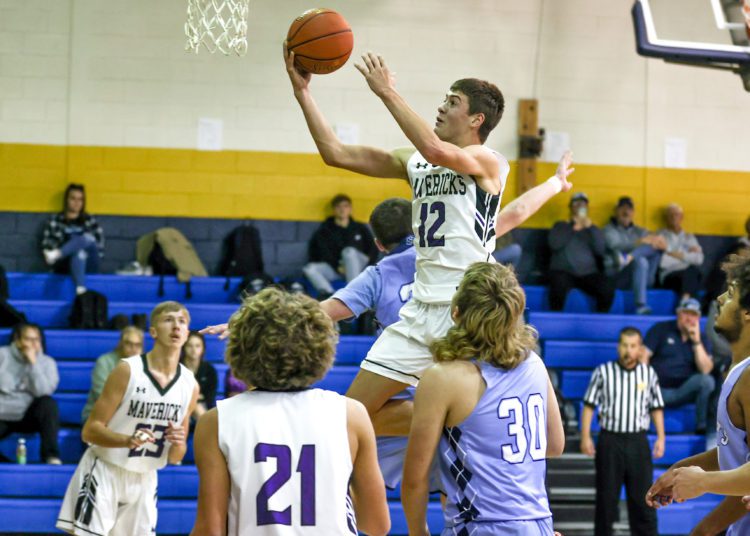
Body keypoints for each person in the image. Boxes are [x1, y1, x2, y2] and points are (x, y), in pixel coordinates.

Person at [284, 43, 575, 436]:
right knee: (350, 415)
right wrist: (303, 93)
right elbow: (335, 153)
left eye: (451, 101)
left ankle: (462, 418)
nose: (441, 107)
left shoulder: (489, 161)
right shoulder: (415, 161)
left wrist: (386, 91)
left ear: (476, 119)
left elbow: (436, 150)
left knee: (532, 429)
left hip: (469, 312)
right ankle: (454, 417)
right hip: (420, 310)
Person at [190, 288, 390, 536]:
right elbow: (376, 525)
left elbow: (210, 530)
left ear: (241, 349)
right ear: (320, 347)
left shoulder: (217, 420)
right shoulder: (351, 413)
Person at [401, 261, 565, 535]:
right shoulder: (534, 363)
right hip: (539, 523)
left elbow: (415, 481)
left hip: (481, 526)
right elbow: (555, 445)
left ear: (456, 313)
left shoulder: (444, 378)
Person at [56, 301, 198, 536]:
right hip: (105, 468)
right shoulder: (128, 370)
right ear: (153, 331)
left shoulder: (190, 385)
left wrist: (180, 442)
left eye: (182, 321)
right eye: (168, 320)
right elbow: (90, 431)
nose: (176, 326)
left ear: (186, 333)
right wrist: (126, 440)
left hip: (145, 477)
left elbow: (175, 457)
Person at [647, 250, 750, 535]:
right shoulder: (739, 370)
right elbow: (737, 455)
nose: (719, 300)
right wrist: (682, 468)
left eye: (729, 294)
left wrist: (703, 482)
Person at [581, 327, 665, 536]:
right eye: (625, 345)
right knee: (606, 501)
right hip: (610, 440)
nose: (628, 351)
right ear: (618, 347)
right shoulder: (603, 372)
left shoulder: (648, 373)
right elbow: (589, 405)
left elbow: (656, 407)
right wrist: (585, 436)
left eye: (633, 346)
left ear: (640, 348)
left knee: (643, 500)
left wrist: (661, 437)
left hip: (638, 441)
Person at [644, 297, 715, 435]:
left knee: (707, 381)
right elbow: (643, 357)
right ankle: (642, 426)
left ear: (699, 318)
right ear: (678, 313)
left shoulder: (702, 338)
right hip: (657, 390)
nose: (689, 318)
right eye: (686, 313)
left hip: (684, 391)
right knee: (639, 378)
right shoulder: (660, 329)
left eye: (693, 315)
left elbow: (706, 370)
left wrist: (696, 342)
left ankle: (701, 426)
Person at [0, 322, 61, 464]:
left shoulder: (47, 362)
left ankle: (51, 456)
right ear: (18, 340)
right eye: (28, 339)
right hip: (2, 413)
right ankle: (6, 463)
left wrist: (33, 364)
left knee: (48, 404)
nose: (32, 344)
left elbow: (43, 391)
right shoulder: (2, 355)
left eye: (36, 340)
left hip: (28, 414)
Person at [548, 192, 615, 313]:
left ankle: (600, 321)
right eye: (576, 203)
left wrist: (591, 228)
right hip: (564, 272)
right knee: (558, 285)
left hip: (587, 274)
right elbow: (554, 244)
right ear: (570, 207)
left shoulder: (592, 229)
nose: (580, 206)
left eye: (583, 204)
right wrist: (573, 227)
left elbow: (600, 250)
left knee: (607, 286)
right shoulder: (560, 225)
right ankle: (556, 319)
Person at [302, 193, 379, 298]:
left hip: (358, 266)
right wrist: (337, 267)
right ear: (333, 209)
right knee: (309, 268)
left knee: (348, 252)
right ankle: (330, 296)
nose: (342, 210)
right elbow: (323, 253)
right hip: (336, 267)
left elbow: (373, 249)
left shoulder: (359, 228)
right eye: (339, 206)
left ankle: (352, 294)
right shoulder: (325, 230)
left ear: (350, 209)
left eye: (345, 206)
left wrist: (367, 269)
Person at [603, 196, 666, 315]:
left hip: (643, 278)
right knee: (641, 261)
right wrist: (640, 241)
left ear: (633, 212)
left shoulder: (640, 231)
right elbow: (615, 245)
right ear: (616, 210)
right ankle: (640, 305)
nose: (626, 212)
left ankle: (628, 258)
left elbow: (660, 244)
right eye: (622, 208)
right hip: (617, 275)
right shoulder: (608, 229)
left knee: (653, 248)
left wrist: (658, 241)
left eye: (629, 209)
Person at [41, 183, 104, 295]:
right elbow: (47, 246)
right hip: (64, 264)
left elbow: (99, 248)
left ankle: (58, 253)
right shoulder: (55, 221)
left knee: (87, 239)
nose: (76, 203)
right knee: (78, 253)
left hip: (89, 264)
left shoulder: (90, 221)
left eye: (80, 199)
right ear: (66, 200)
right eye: (73, 198)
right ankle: (80, 288)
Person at [81, 326, 144, 423]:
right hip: (99, 415)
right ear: (121, 344)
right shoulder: (104, 361)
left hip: (130, 416)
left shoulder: (144, 366)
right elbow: (102, 394)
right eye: (129, 344)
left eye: (137, 345)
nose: (133, 348)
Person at [657, 203, 704, 301]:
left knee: (694, 272)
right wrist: (687, 256)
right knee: (691, 273)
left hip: (687, 274)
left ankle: (685, 301)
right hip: (669, 275)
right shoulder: (660, 236)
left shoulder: (689, 237)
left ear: (681, 217)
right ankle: (686, 302)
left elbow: (699, 259)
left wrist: (670, 252)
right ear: (666, 218)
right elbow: (663, 262)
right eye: (670, 215)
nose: (673, 217)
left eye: (676, 214)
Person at [180, 331, 217, 424]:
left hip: (202, 406)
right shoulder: (177, 367)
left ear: (203, 349)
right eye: (190, 346)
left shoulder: (209, 370)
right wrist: (197, 396)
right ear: (184, 348)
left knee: (198, 407)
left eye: (197, 346)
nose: (193, 350)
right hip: (179, 406)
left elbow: (210, 398)